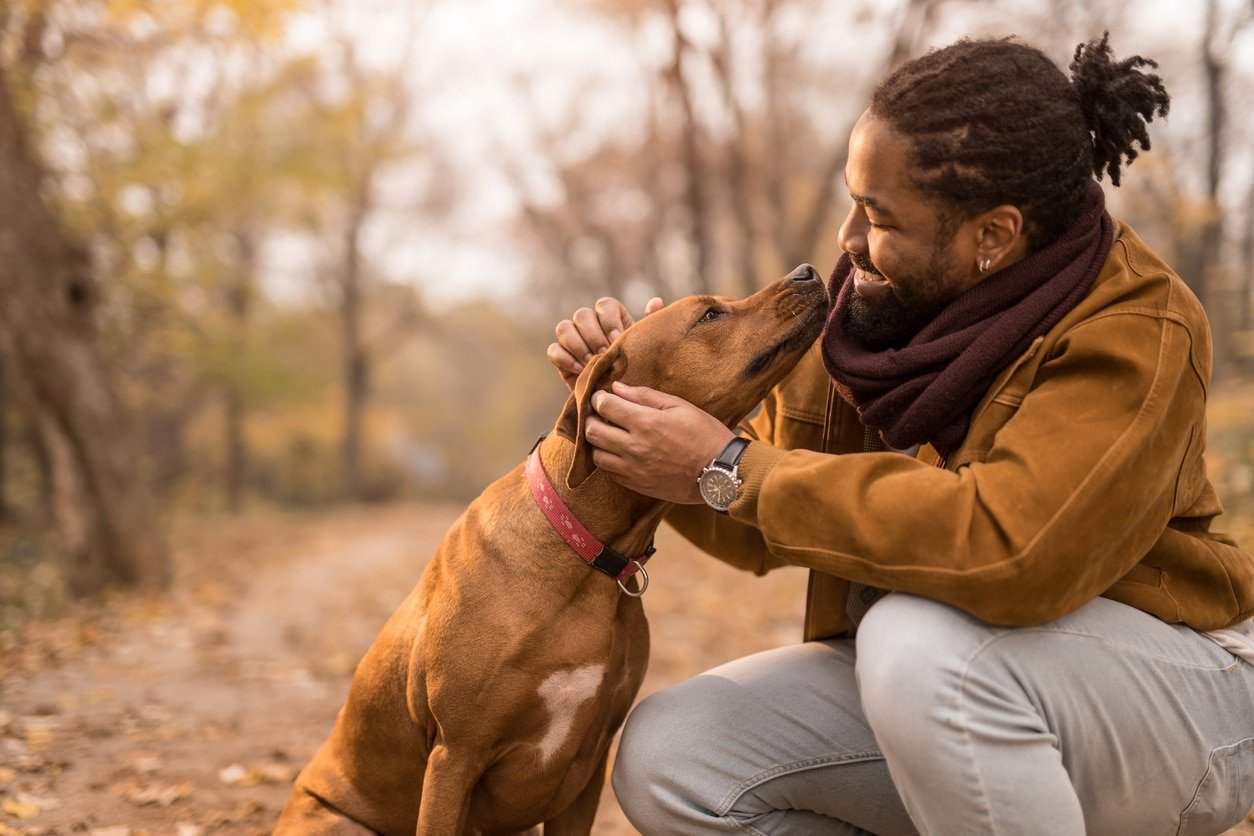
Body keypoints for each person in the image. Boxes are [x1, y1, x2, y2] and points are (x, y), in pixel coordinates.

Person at [546, 34, 1254, 836]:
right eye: (854, 200)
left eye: (878, 216)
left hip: (1185, 696)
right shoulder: (866, 317)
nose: (848, 238)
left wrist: (728, 463)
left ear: (993, 235)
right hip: (957, 686)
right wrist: (648, 426)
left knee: (917, 645)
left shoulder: (1136, 327)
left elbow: (1013, 550)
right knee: (676, 755)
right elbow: (759, 521)